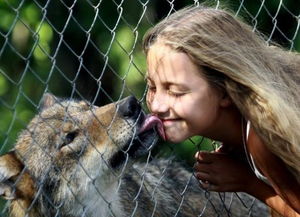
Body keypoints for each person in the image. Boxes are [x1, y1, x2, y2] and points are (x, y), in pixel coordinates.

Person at [142, 5, 300, 217]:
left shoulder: (262, 136)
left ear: (225, 91)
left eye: (177, 92)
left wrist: (248, 182)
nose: (157, 106)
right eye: (152, 87)